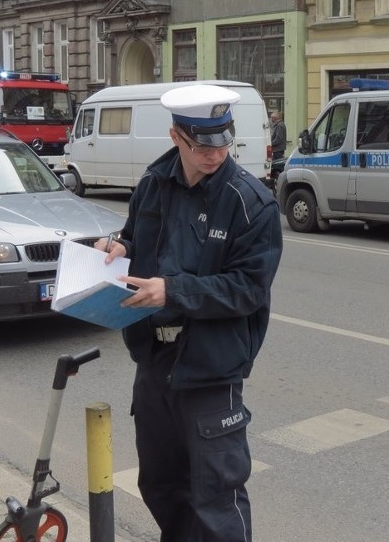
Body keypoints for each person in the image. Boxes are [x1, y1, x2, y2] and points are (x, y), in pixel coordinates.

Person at [95, 84, 283, 542]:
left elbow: (248, 289)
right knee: (159, 484)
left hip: (210, 367)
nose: (214, 154)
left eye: (223, 142)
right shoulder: (153, 184)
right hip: (154, 362)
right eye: (202, 145)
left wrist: (173, 292)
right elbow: (138, 239)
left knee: (216, 497)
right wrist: (119, 247)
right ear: (176, 135)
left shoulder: (251, 202)